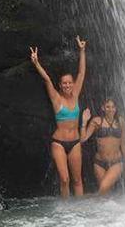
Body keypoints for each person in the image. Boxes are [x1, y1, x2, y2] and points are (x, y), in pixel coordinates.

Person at [30, 36, 87, 197]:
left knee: (77, 180)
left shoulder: (75, 95)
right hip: (59, 143)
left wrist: (82, 51)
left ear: (73, 83)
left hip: (75, 142)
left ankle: (81, 214)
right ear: (60, 85)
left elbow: (82, 73)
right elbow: (47, 79)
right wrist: (36, 63)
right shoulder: (56, 99)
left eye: (70, 82)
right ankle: (66, 215)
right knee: (64, 179)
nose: (68, 85)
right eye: (64, 83)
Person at [81, 98, 125, 195]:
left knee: (103, 187)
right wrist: (84, 122)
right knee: (104, 195)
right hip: (99, 163)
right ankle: (108, 210)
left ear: (116, 108)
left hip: (116, 162)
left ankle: (88, 206)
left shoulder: (120, 121)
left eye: (113, 107)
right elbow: (83, 139)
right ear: (103, 108)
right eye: (108, 107)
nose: (110, 109)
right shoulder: (96, 121)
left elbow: (124, 143)